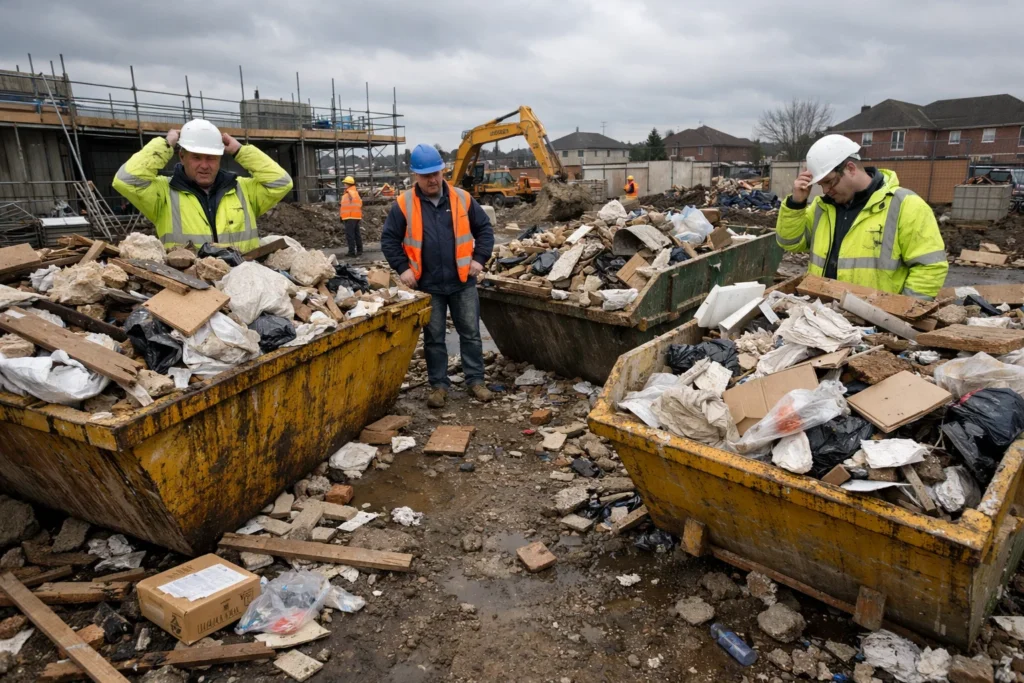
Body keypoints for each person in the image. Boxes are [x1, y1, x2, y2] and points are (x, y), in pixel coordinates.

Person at [380, 144, 495, 408]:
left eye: (436, 173)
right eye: (425, 175)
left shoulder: (462, 199)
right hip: (428, 284)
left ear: (443, 171)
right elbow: (389, 240)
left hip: (462, 281)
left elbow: (484, 230)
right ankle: (438, 386)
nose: (432, 179)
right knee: (434, 338)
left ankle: (476, 381)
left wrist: (479, 259)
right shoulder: (404, 204)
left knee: (470, 333)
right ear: (415, 176)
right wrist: (403, 268)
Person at [775, 134, 947, 299]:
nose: (826, 190)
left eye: (829, 182)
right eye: (821, 185)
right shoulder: (822, 207)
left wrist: (901, 312)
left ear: (850, 169)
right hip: (823, 314)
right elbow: (790, 243)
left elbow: (930, 267)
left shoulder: (906, 206)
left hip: (877, 321)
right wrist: (796, 204)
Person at [113, 118, 292, 253]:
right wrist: (165, 144)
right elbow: (126, 179)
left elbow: (281, 182)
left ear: (220, 158)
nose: (205, 165)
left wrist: (240, 151)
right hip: (189, 290)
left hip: (242, 287)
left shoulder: (242, 189)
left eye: (211, 158)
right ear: (182, 157)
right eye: (196, 157)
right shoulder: (163, 193)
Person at [339, 176, 363, 257]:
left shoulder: (349, 193)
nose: (344, 184)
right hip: (356, 216)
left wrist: (343, 216)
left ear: (348, 184)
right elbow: (359, 203)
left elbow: (346, 206)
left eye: (345, 183)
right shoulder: (355, 192)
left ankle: (352, 252)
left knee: (350, 235)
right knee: (357, 234)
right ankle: (360, 250)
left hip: (350, 217)